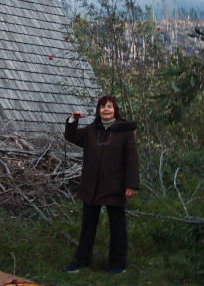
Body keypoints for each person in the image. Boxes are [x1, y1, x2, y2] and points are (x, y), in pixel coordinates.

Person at [62, 94, 139, 274]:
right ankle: (81, 261)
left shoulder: (125, 131)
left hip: (115, 186)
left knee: (117, 227)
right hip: (92, 186)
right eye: (103, 106)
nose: (106, 109)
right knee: (88, 226)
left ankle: (117, 265)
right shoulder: (91, 130)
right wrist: (73, 120)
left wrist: (131, 184)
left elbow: (132, 159)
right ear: (98, 110)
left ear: (115, 110)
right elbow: (71, 136)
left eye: (109, 106)